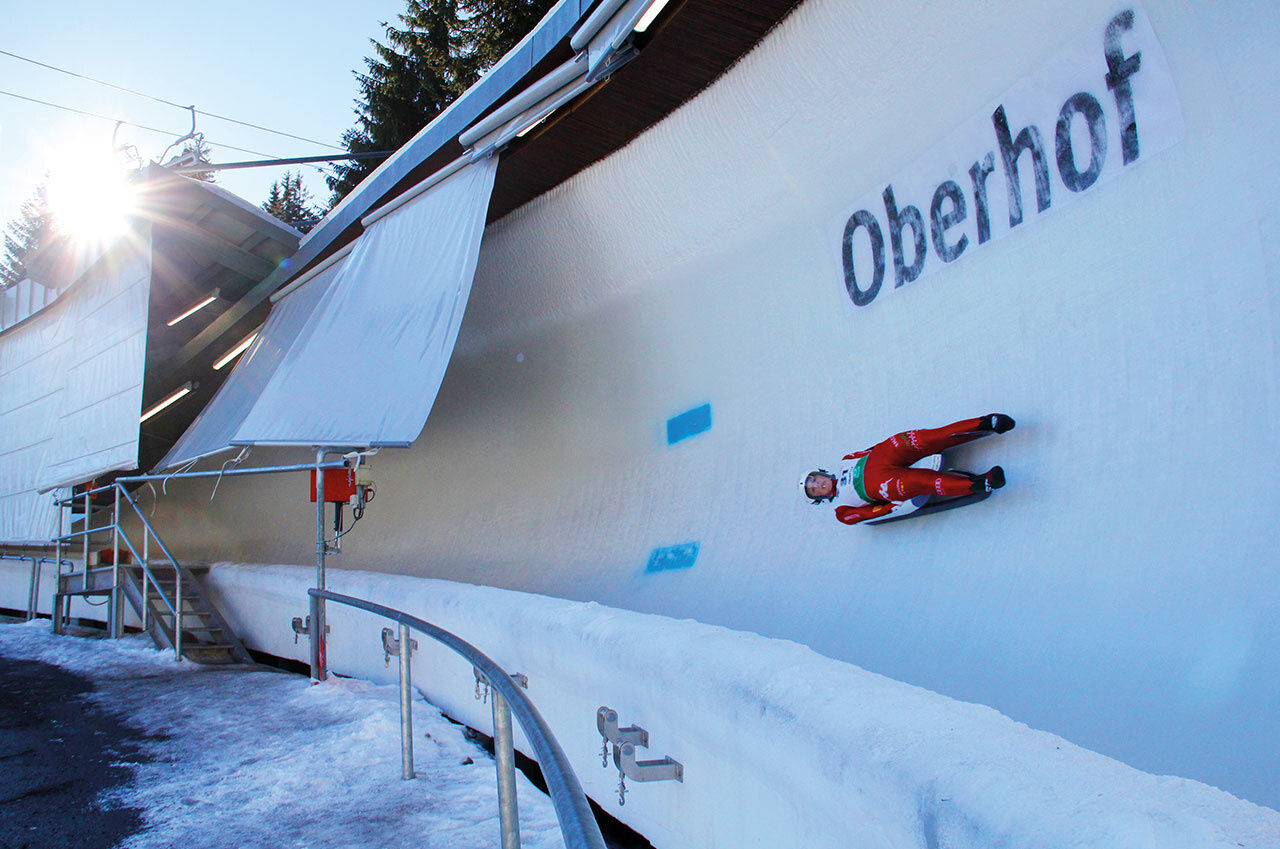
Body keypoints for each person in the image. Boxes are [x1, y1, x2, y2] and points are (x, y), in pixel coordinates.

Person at [802, 414, 1015, 525]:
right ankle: (979, 483)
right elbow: (866, 514)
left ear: (821, 473)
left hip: (886, 454)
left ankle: (986, 422)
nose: (818, 484)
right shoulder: (841, 510)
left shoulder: (847, 460)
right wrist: (891, 508)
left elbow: (872, 449)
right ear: (819, 498)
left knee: (930, 437)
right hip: (883, 484)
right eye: (814, 490)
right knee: (920, 481)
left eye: (815, 479)